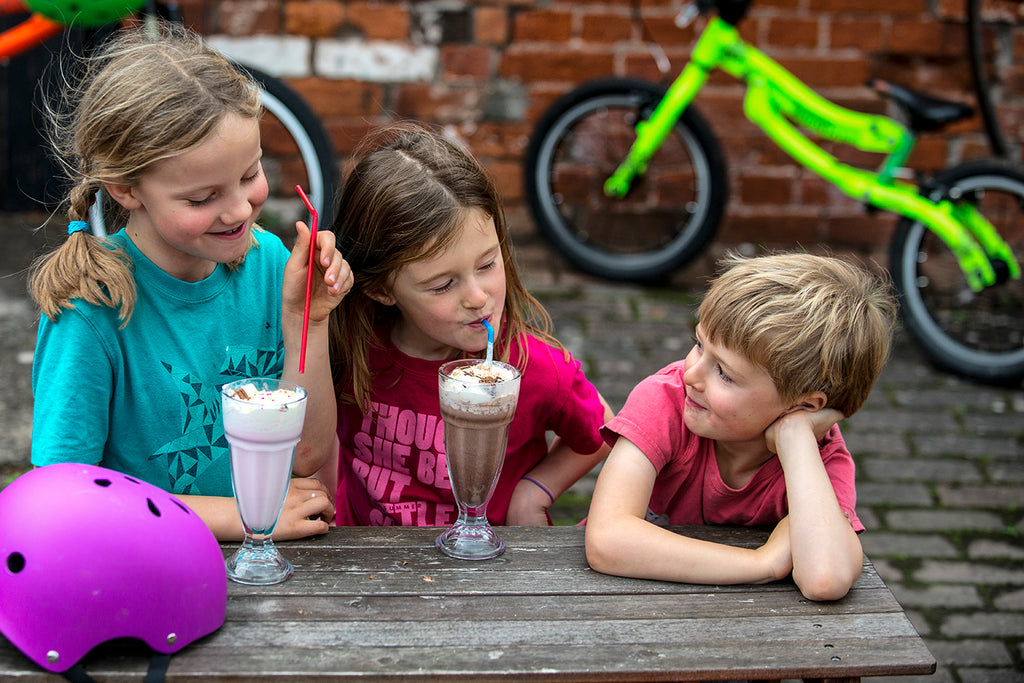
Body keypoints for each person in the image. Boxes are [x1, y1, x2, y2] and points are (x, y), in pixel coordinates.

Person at [28, 23, 353, 541]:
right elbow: (61, 494)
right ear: (127, 189)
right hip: (150, 568)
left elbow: (307, 455)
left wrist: (306, 319)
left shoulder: (269, 263)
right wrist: (238, 517)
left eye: (250, 175)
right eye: (201, 199)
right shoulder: (91, 308)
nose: (239, 209)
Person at [325, 123, 612, 527]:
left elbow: (603, 429)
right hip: (374, 571)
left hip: (488, 574)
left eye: (488, 264)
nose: (478, 297)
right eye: (443, 284)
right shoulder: (349, 349)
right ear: (380, 289)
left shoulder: (531, 369)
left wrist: (535, 491)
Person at [585, 252, 897, 601]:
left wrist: (794, 438)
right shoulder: (666, 400)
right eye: (698, 345)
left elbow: (826, 577)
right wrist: (761, 564)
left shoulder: (818, 460)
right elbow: (606, 540)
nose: (691, 374)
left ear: (804, 406)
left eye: (724, 373)